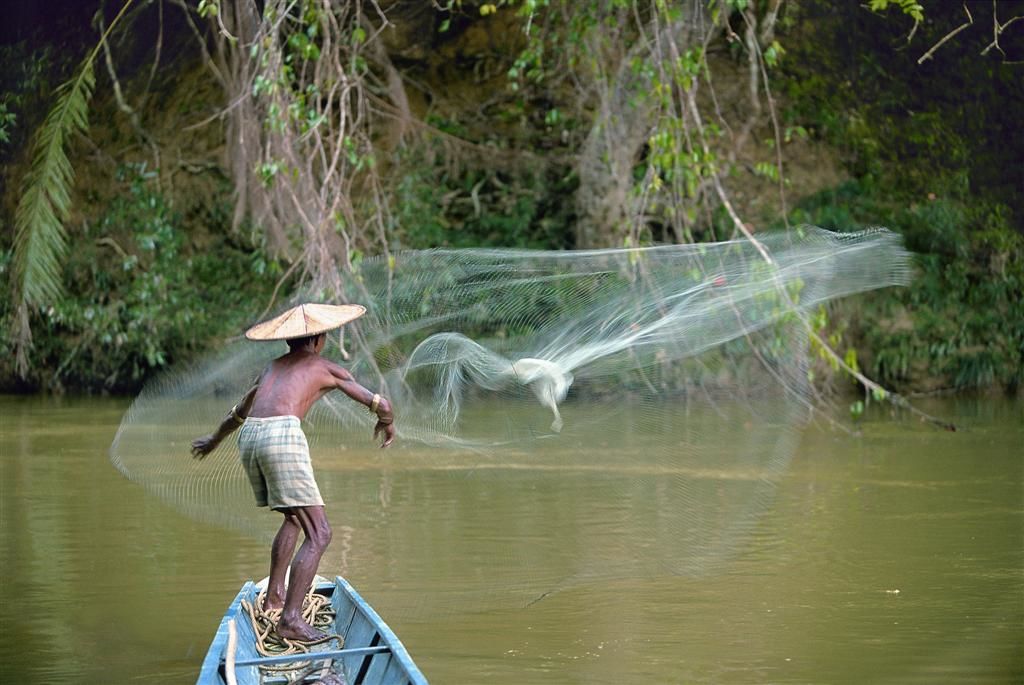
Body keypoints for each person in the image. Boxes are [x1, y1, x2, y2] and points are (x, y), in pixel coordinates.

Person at [191, 303, 395, 641]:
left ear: (289, 343)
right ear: (318, 339)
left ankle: (274, 597)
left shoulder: (271, 369)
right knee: (321, 533)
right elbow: (382, 404)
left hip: (250, 437)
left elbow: (238, 414)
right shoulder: (325, 367)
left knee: (295, 517)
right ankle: (291, 619)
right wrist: (387, 423)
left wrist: (213, 441)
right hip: (279, 436)